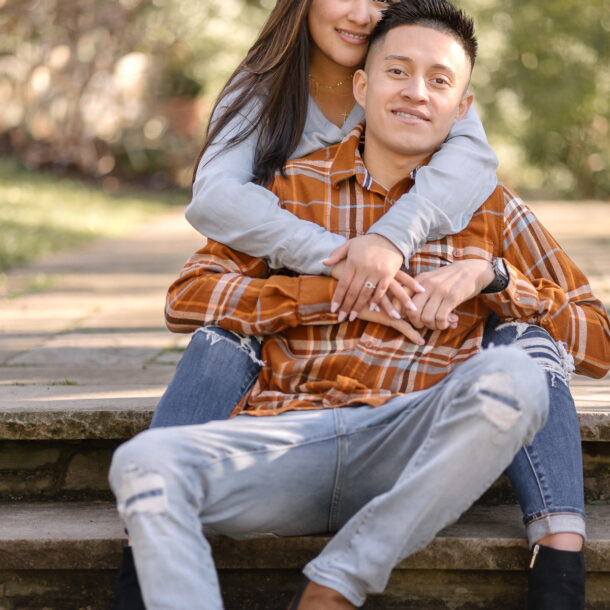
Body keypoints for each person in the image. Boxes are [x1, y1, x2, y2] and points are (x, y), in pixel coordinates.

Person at [109, 2, 610, 608]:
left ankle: (337, 582)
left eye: (440, 81)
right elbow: (188, 297)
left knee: (518, 369)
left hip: (408, 445)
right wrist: (319, 293)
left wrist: (492, 277)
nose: (417, 94)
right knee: (142, 463)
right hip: (287, 442)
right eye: (398, 72)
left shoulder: (493, 210)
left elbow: (597, 339)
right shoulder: (290, 189)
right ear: (362, 86)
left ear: (463, 109)